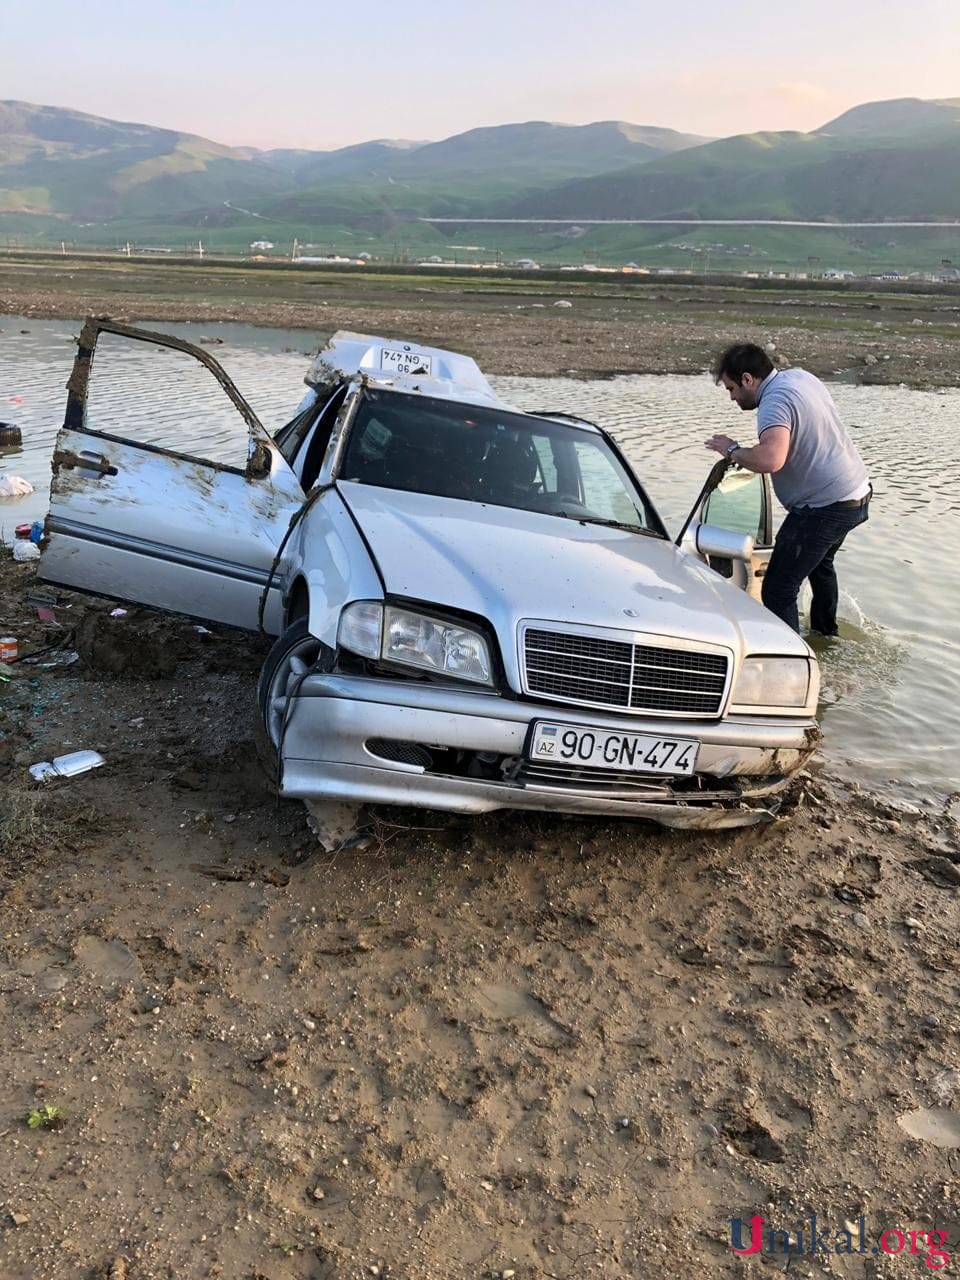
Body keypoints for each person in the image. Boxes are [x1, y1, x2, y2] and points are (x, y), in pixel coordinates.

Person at [705, 343, 871, 636]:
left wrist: (732, 450)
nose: (732, 397)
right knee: (821, 566)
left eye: (731, 388)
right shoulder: (800, 377)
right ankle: (824, 636)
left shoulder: (773, 402)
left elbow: (770, 459)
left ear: (748, 379)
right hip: (856, 493)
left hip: (826, 506)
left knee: (778, 589)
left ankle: (793, 665)